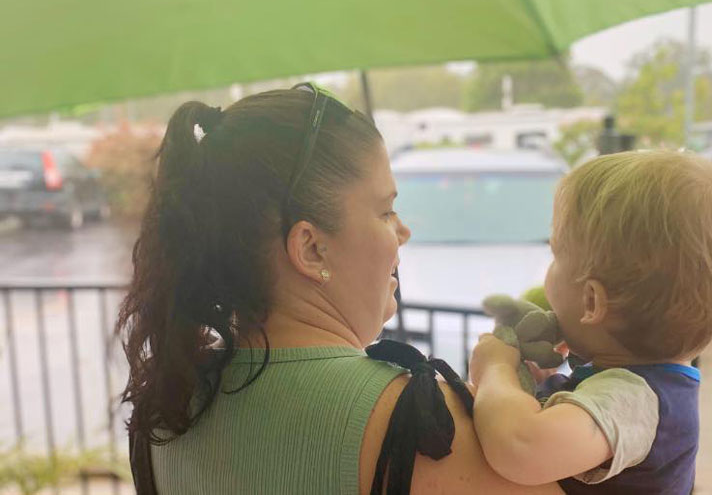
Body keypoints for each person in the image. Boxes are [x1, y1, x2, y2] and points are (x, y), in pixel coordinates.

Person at [117, 83, 564, 495]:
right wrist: (499, 374)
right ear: (310, 249)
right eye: (386, 211)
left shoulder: (165, 409)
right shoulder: (422, 426)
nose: (403, 231)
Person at [469, 150, 712, 494]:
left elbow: (521, 446)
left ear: (591, 301)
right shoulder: (640, 386)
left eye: (556, 255)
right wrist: (539, 385)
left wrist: (495, 370)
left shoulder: (632, 400)